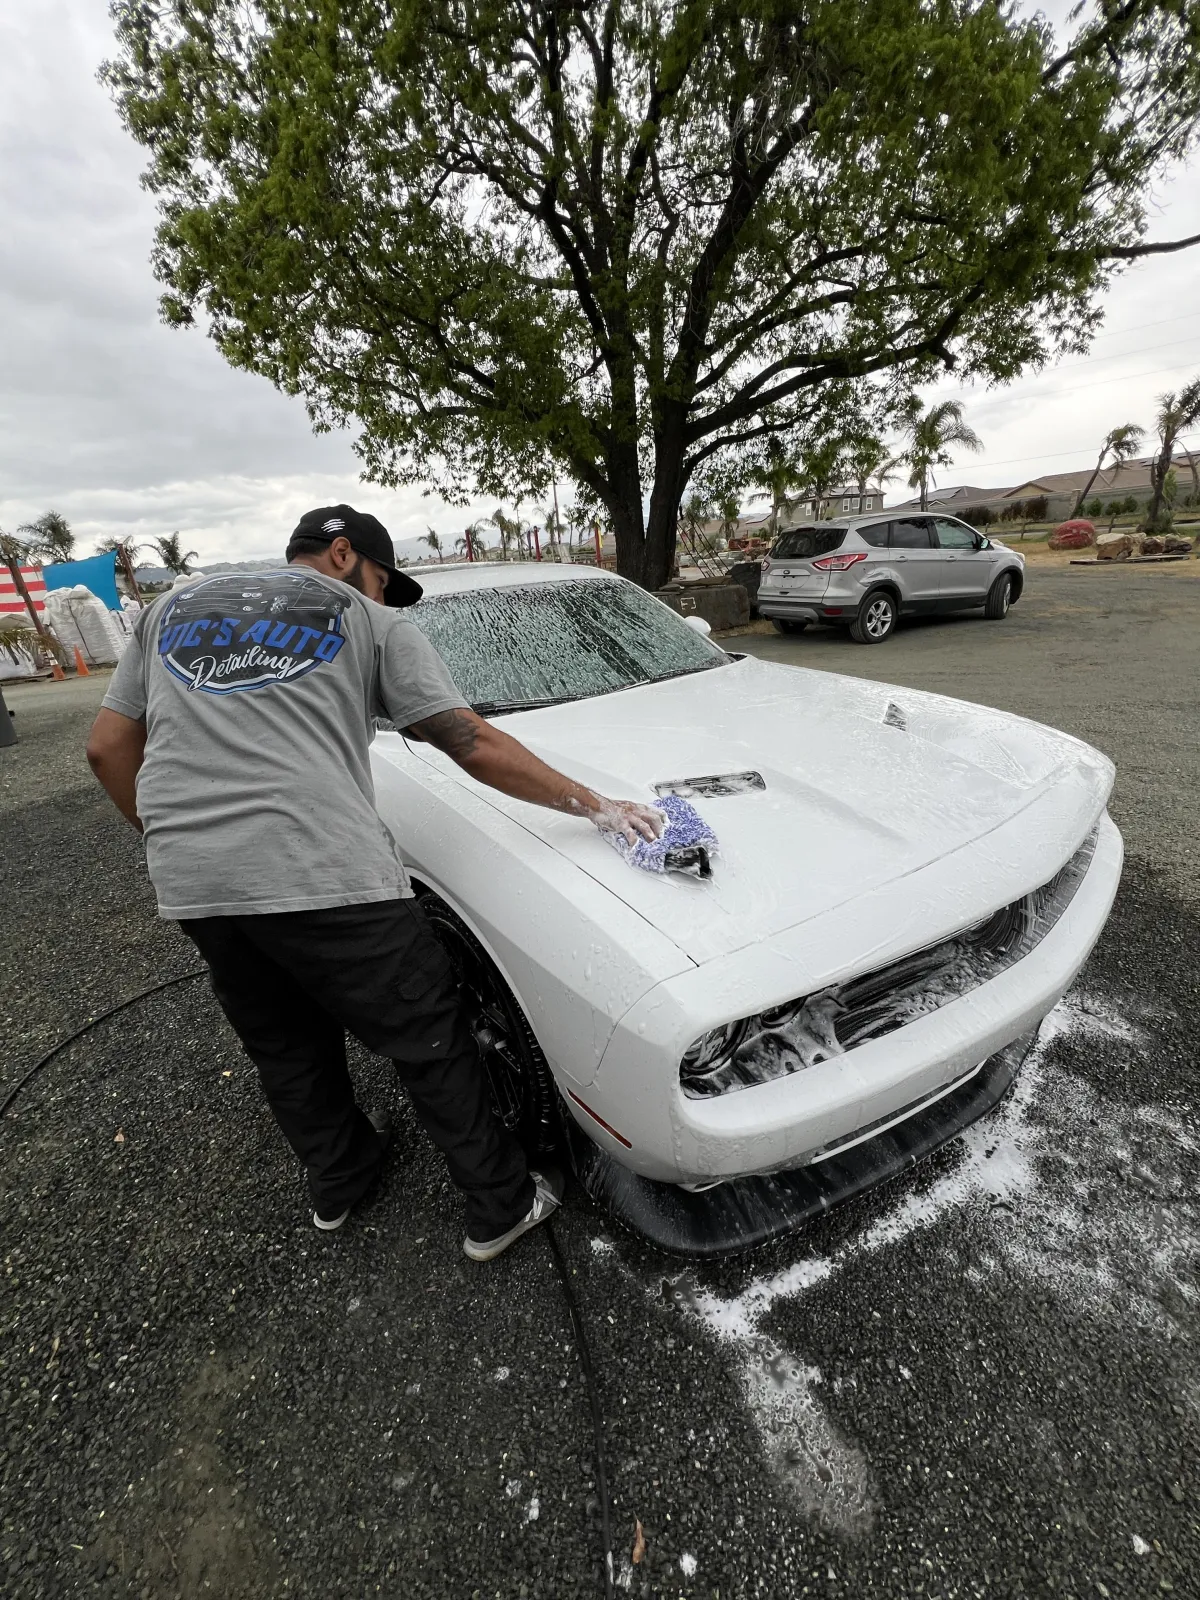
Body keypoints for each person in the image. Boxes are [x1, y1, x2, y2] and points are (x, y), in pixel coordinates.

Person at [86, 505, 661, 1260]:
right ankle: (501, 1205)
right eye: (386, 580)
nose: (387, 597)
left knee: (284, 1039)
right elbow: (469, 739)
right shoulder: (370, 619)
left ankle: (341, 1183)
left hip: (195, 881)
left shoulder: (172, 607)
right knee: (428, 1033)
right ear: (343, 553)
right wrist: (595, 804)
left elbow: (105, 748)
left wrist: (175, 839)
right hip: (324, 868)